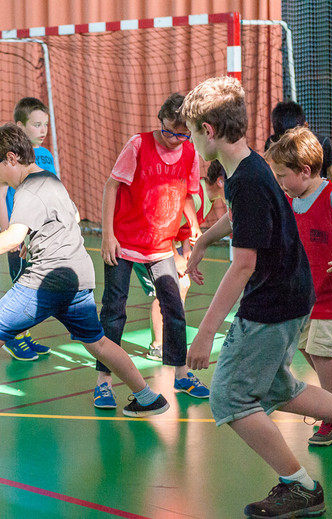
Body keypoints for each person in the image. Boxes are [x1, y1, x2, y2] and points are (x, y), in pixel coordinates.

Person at [182, 76, 332, 518]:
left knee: (230, 398)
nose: (191, 140)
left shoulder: (248, 180)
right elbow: (243, 218)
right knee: (280, 388)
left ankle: (299, 486)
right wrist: (203, 239)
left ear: (208, 129)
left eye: (190, 131)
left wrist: (205, 335)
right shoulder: (253, 168)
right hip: (294, 295)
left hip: (273, 304)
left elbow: (243, 265)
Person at [0, 124, 169, 455]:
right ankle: (148, 397)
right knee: (98, 342)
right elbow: (67, 217)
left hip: (45, 281)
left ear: (12, 157)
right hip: (78, 276)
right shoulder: (51, 180)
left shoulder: (29, 190)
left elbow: (13, 236)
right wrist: (36, 240)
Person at [94, 93, 208, 411]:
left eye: (184, 133)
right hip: (125, 243)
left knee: (175, 309)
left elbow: (187, 195)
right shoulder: (139, 145)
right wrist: (108, 236)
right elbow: (111, 187)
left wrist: (193, 226)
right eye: (172, 130)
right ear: (161, 120)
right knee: (114, 311)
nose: (177, 138)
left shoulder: (189, 151)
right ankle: (103, 383)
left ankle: (182, 374)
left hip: (161, 247)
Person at [264, 126, 332, 446]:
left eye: (283, 175)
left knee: (321, 351)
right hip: (310, 291)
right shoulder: (293, 199)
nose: (280, 183)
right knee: (302, 342)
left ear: (305, 170)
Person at [141, 160, 226, 361]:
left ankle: (172, 334)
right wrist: (176, 256)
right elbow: (164, 223)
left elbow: (183, 227)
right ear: (221, 181)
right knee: (166, 288)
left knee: (183, 283)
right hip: (150, 239)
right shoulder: (197, 197)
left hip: (168, 239)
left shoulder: (209, 198)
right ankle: (158, 346)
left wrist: (187, 250)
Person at [0, 97, 55, 361]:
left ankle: (24, 335)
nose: (43, 130)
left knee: (34, 287)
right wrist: (9, 233)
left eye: (45, 125)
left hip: (40, 235)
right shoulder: (12, 157)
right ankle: (11, 336)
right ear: (20, 126)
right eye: (37, 125)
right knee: (22, 287)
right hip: (19, 235)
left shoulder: (46, 155)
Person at [264, 101, 332, 184]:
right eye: (283, 138)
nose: (287, 144)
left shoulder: (322, 143)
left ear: (306, 126)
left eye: (293, 139)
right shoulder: (272, 144)